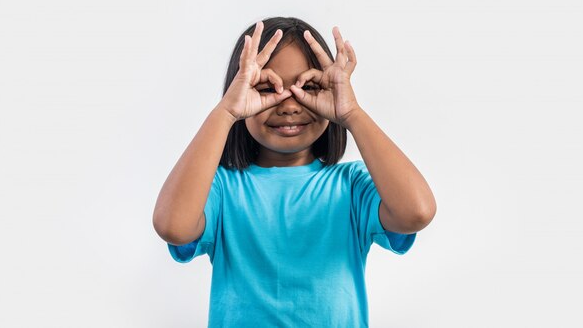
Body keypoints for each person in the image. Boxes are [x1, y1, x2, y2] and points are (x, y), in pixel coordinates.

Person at [152, 16, 437, 327]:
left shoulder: (352, 186)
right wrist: (226, 112)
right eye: (266, 87)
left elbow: (417, 212)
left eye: (308, 86)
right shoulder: (221, 187)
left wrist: (352, 113)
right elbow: (173, 226)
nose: (288, 104)